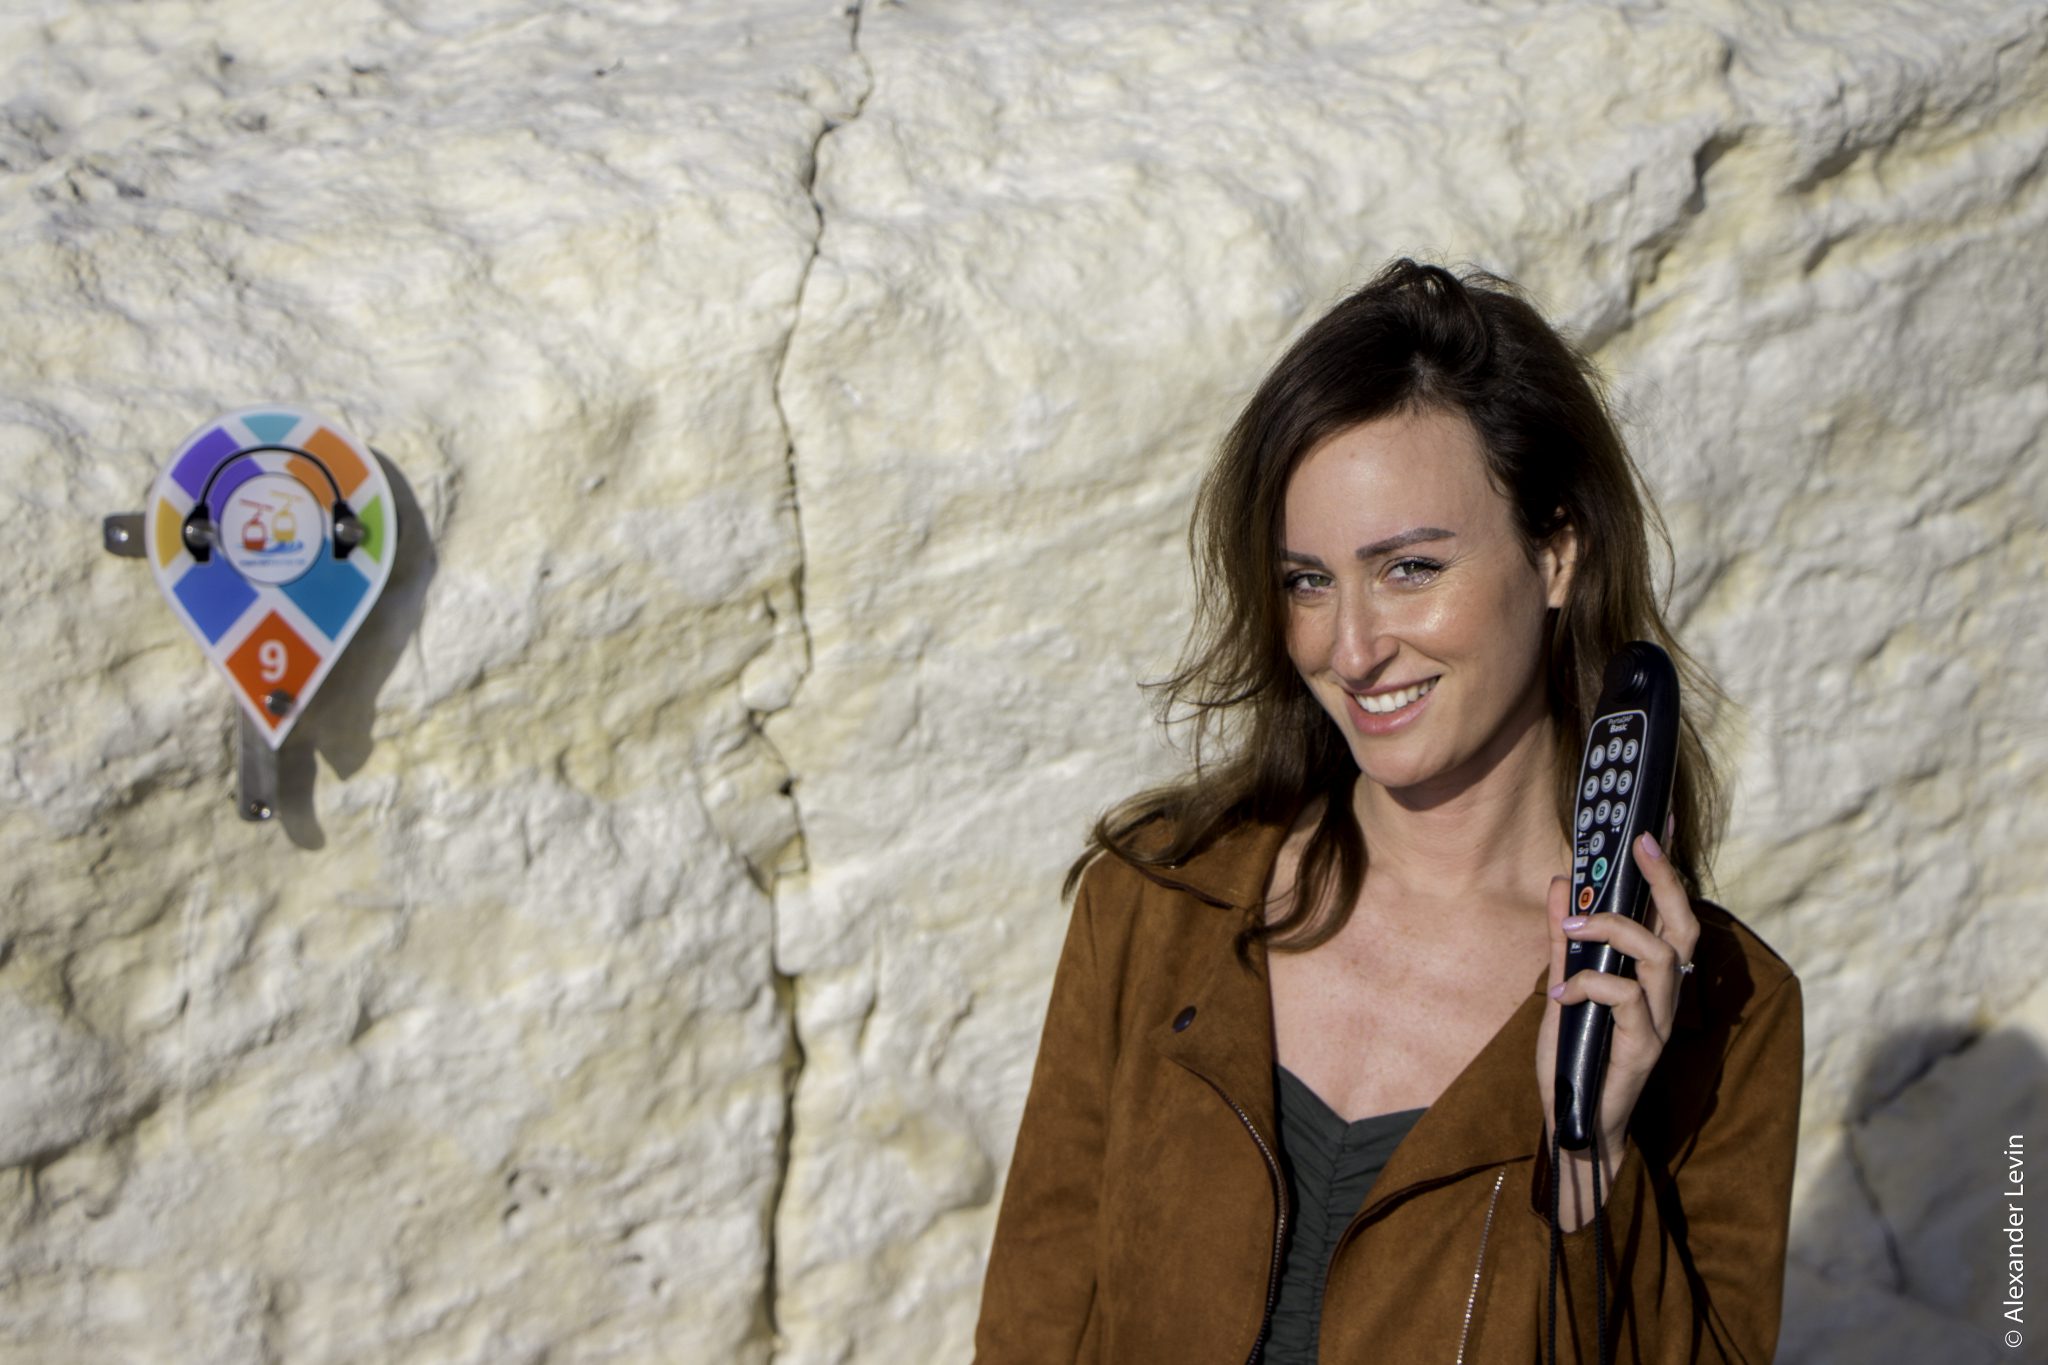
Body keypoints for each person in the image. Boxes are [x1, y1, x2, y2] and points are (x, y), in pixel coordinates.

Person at [972, 260, 1802, 1363]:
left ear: (1556, 552)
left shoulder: (1718, 1012)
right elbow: (1031, 1331)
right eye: (1307, 580)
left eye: (1409, 568)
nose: (1351, 648)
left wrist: (1590, 1162)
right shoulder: (1153, 903)